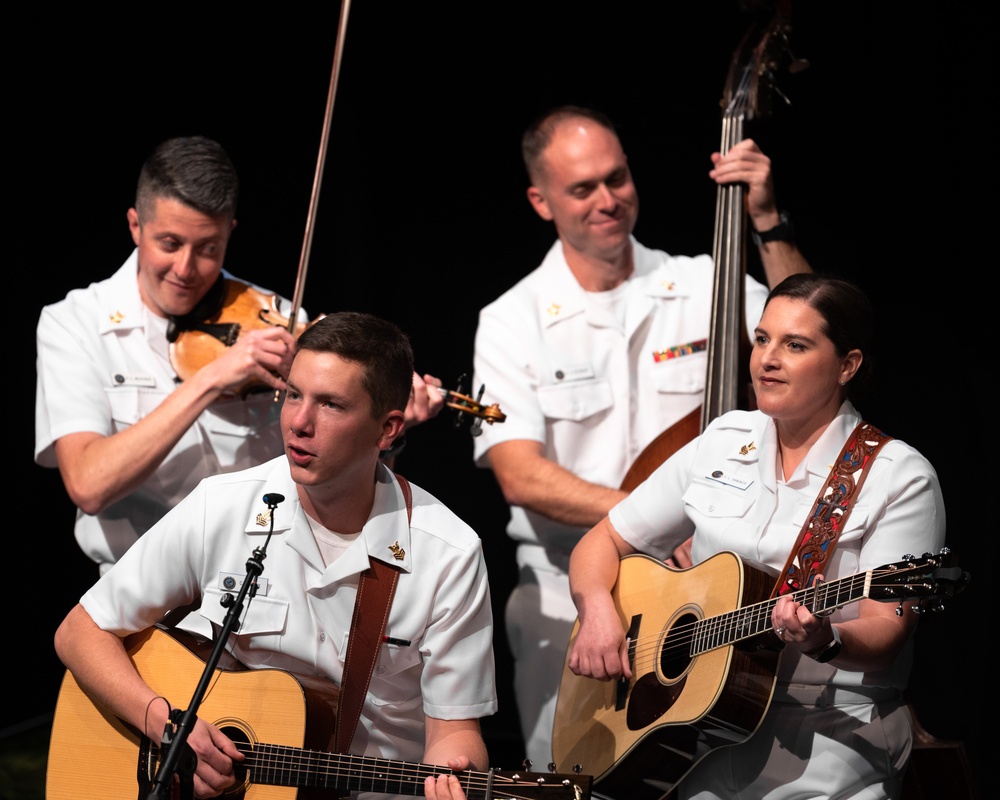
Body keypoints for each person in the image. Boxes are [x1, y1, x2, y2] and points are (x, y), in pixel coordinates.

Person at [471, 105, 812, 766]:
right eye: (582, 188)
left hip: (704, 586)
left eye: (617, 178)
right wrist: (647, 523)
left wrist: (768, 220)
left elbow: (814, 327)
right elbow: (521, 474)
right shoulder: (512, 319)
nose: (608, 199)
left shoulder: (701, 282)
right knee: (577, 775)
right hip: (566, 595)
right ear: (541, 202)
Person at [53, 311, 496, 800]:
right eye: (292, 394)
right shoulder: (222, 504)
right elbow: (80, 631)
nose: (299, 422)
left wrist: (456, 772)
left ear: (388, 429)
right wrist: (166, 723)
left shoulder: (449, 553)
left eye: (330, 404)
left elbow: (455, 733)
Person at [566, 273, 946, 799]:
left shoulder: (898, 476)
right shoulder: (723, 439)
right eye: (763, 339)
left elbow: (887, 629)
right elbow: (602, 543)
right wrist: (596, 611)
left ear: (847, 365)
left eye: (795, 345)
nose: (767, 358)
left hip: (828, 741)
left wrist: (826, 639)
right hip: (695, 735)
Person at [34, 136, 443, 578]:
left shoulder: (280, 319)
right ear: (135, 225)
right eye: (169, 243)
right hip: (141, 583)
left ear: (230, 231)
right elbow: (89, 485)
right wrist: (211, 379)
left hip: (272, 577)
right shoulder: (73, 323)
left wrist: (385, 439)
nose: (187, 270)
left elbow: (338, 487)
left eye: (208, 248)